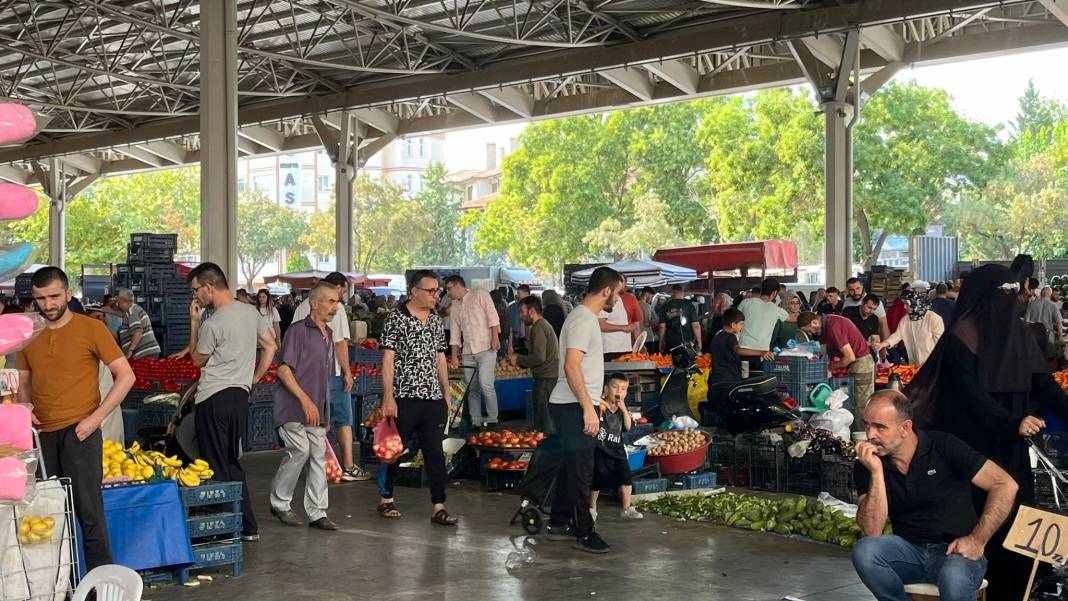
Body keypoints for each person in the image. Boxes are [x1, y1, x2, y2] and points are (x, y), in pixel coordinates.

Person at [904, 264, 1068, 599]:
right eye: (1004, 293)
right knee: (975, 522)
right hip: (969, 454)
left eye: (1014, 292)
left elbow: (1043, 384)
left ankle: (1014, 590)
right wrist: (1012, 422)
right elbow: (969, 396)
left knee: (1013, 518)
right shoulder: (959, 340)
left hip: (1011, 451)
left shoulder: (1020, 336)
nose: (1012, 300)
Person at [16, 267, 135, 571]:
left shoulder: (91, 329)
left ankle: (100, 582)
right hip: (42, 438)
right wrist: (24, 407)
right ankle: (58, 585)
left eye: (54, 296)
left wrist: (95, 419)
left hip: (81, 433)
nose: (48, 304)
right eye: (41, 298)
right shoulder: (28, 336)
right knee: (50, 515)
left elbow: (126, 376)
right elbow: (24, 383)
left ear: (68, 294)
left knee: (89, 513)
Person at [852, 390, 1018, 601]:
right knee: (865, 551)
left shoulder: (943, 445)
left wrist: (977, 540)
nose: (870, 435)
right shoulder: (867, 463)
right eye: (867, 424)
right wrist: (876, 472)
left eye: (880, 427)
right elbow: (872, 530)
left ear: (905, 428)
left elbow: (1005, 484)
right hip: (908, 552)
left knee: (953, 575)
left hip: (957, 551)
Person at [187, 262, 277, 541]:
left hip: (213, 397)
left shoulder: (213, 323)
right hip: (239, 397)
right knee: (231, 460)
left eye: (196, 291)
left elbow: (197, 359)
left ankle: (227, 527)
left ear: (209, 287)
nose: (195, 297)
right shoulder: (250, 312)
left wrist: (193, 322)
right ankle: (247, 525)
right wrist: (254, 378)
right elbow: (271, 345)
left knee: (214, 464)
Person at [548, 266, 623, 554]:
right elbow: (571, 366)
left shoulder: (586, 317)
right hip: (572, 405)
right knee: (581, 471)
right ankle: (584, 531)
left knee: (571, 468)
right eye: (618, 293)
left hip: (576, 402)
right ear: (606, 291)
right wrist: (587, 408)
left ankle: (558, 522)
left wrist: (594, 401)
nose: (618, 299)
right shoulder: (581, 320)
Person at [377, 270, 457, 525]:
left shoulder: (434, 321)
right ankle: (386, 498)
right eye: (431, 291)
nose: (436, 295)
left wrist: (446, 394)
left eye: (437, 291)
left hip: (432, 398)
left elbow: (440, 358)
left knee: (434, 453)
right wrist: (388, 397)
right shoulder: (396, 319)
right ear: (414, 291)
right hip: (404, 397)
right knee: (394, 451)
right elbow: (388, 359)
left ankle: (439, 505)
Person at [269, 283, 341, 531]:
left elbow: (325, 379)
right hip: (292, 406)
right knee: (300, 450)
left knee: (318, 456)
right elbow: (283, 369)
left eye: (337, 301)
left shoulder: (329, 334)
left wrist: (324, 410)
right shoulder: (298, 331)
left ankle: (317, 512)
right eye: (331, 301)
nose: (335, 306)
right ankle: (280, 504)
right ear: (314, 303)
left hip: (316, 410)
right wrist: (305, 399)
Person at [293, 273, 366, 482]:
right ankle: (348, 467)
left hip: (306, 376)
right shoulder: (337, 309)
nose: (339, 300)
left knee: (314, 422)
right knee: (343, 419)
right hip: (331, 373)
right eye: (340, 293)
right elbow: (340, 342)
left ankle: (318, 468)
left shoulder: (301, 308)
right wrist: (347, 372)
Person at [798, 311, 875, 425]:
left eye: (809, 330)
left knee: (861, 404)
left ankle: (864, 437)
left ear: (814, 322)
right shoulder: (822, 330)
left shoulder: (833, 326)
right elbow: (823, 354)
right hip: (851, 364)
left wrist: (831, 367)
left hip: (861, 362)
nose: (810, 333)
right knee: (851, 403)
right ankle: (854, 435)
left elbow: (849, 357)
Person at [446, 276, 501, 429]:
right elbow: (455, 333)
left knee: (486, 384)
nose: (447, 292)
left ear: (458, 286)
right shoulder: (455, 306)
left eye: (449, 288)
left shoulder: (480, 294)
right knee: (472, 388)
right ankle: (475, 421)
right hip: (468, 351)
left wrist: (495, 337)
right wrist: (455, 356)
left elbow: (493, 318)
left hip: (486, 348)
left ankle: (492, 419)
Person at [589, 373, 642, 522]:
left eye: (624, 389)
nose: (619, 391)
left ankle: (626, 508)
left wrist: (624, 410)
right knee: (597, 479)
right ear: (606, 389)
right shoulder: (599, 405)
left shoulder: (623, 410)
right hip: (600, 448)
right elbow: (590, 402)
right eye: (615, 387)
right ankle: (592, 508)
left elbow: (628, 427)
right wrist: (601, 403)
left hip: (617, 449)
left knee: (626, 477)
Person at [509, 296, 559, 434]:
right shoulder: (542, 326)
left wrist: (518, 360)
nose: (520, 316)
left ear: (531, 311)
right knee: (546, 418)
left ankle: (547, 451)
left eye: (522, 311)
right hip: (547, 378)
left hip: (546, 380)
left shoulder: (538, 328)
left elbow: (539, 357)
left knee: (545, 421)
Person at [706, 308, 774, 406]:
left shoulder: (717, 336)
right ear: (733, 324)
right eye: (741, 324)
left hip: (717, 380)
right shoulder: (730, 337)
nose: (742, 327)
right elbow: (738, 350)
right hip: (729, 380)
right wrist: (762, 352)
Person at [873, 292, 944, 367]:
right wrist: (882, 344)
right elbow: (896, 336)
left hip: (932, 363)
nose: (904, 307)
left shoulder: (934, 319)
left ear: (916, 304)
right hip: (914, 363)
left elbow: (941, 343)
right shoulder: (905, 320)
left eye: (907, 304)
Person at [738, 278, 787, 370]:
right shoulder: (776, 310)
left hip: (743, 352)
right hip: (762, 355)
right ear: (774, 293)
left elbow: (736, 319)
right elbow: (793, 319)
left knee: (743, 381)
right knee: (758, 382)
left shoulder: (745, 303)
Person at [599, 276, 638, 362]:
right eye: (622, 281)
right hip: (611, 350)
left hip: (625, 348)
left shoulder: (619, 299)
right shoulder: (606, 300)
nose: (625, 284)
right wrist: (624, 327)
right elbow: (601, 325)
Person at [112, 288, 161, 359]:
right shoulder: (133, 309)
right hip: (147, 351)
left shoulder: (131, 311)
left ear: (122, 300)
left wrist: (130, 350)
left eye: (118, 301)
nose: (117, 303)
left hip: (144, 352)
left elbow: (138, 332)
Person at [658, 285, 700, 353]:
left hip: (671, 341)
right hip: (688, 341)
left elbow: (661, 326)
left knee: (671, 362)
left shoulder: (665, 306)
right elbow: (696, 325)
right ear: (682, 293)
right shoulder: (689, 305)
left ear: (672, 293)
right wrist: (699, 341)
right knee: (688, 362)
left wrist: (661, 341)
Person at [507, 284, 531, 354]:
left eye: (519, 293)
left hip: (531, 339)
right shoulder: (512, 308)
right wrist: (510, 345)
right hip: (517, 339)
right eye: (517, 293)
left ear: (526, 293)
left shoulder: (534, 306)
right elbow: (510, 327)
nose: (518, 295)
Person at [637, 287, 660, 354]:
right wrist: (657, 321)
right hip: (647, 338)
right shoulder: (646, 306)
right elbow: (646, 323)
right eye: (652, 296)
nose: (651, 299)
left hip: (637, 338)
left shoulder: (635, 304)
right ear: (647, 294)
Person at [490, 289, 511, 358]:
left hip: (496, 338)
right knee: (502, 359)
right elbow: (509, 327)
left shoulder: (493, 309)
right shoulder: (505, 307)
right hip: (504, 338)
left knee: (495, 360)